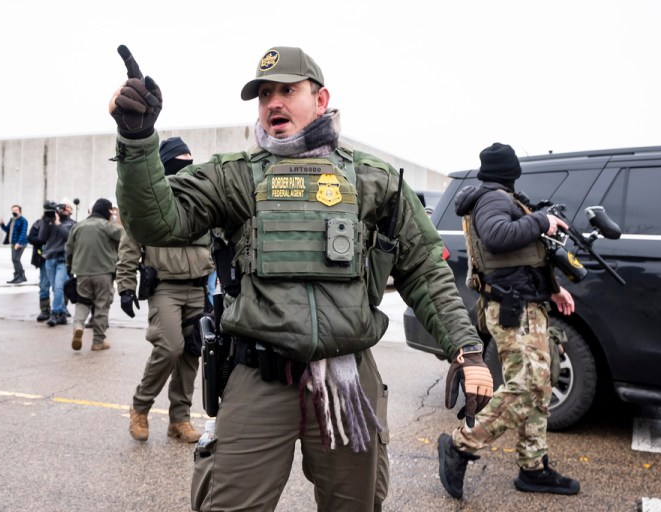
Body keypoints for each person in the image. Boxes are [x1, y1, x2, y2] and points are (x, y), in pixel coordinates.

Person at [108, 45, 493, 512]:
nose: (273, 103)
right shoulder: (235, 178)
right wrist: (137, 140)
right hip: (258, 374)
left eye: (287, 90)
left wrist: (467, 349)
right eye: (264, 93)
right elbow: (156, 221)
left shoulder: (375, 181)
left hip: (347, 380)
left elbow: (425, 269)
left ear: (321, 97)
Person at [437, 142, 580, 499]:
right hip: (512, 309)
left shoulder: (496, 197)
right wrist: (540, 220)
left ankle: (533, 467)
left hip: (526, 304)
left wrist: (553, 289)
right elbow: (499, 238)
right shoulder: (494, 199)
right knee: (528, 385)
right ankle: (461, 445)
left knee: (539, 387)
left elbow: (521, 260)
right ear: (511, 171)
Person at [116, 136, 214, 444]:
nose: (185, 164)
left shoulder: (199, 199)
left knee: (191, 354)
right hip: (165, 288)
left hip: (199, 288)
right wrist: (126, 287)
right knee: (170, 347)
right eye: (178, 159)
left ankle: (179, 420)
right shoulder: (149, 201)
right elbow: (130, 245)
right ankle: (140, 406)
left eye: (189, 158)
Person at [65, 198, 124, 351]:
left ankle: (78, 326)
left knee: (82, 302)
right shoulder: (108, 227)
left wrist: (70, 267)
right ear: (108, 211)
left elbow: (69, 249)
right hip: (103, 273)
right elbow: (124, 240)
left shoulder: (78, 226)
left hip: (82, 272)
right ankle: (98, 341)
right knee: (101, 305)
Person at [38, 199, 76, 326]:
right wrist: (45, 221)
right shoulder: (49, 222)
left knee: (59, 286)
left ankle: (55, 313)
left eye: (68, 208)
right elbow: (41, 238)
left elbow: (69, 238)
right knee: (55, 288)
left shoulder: (72, 224)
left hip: (63, 259)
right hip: (49, 258)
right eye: (63, 207)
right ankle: (62, 314)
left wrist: (58, 224)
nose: (64, 210)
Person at [27, 216, 51, 321]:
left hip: (59, 257)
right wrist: (43, 241)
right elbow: (30, 238)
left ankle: (61, 309)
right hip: (43, 258)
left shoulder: (61, 223)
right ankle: (45, 309)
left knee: (60, 285)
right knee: (44, 284)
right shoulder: (38, 223)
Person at [0, 204, 28, 284]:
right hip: (13, 243)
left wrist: (18, 243)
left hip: (20, 243)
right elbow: (8, 230)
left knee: (16, 259)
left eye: (16, 210)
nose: (14, 212)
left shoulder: (23, 220)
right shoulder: (12, 220)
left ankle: (20, 276)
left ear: (20, 211)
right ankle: (21, 276)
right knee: (14, 259)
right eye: (13, 210)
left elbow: (23, 233)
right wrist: (2, 225)